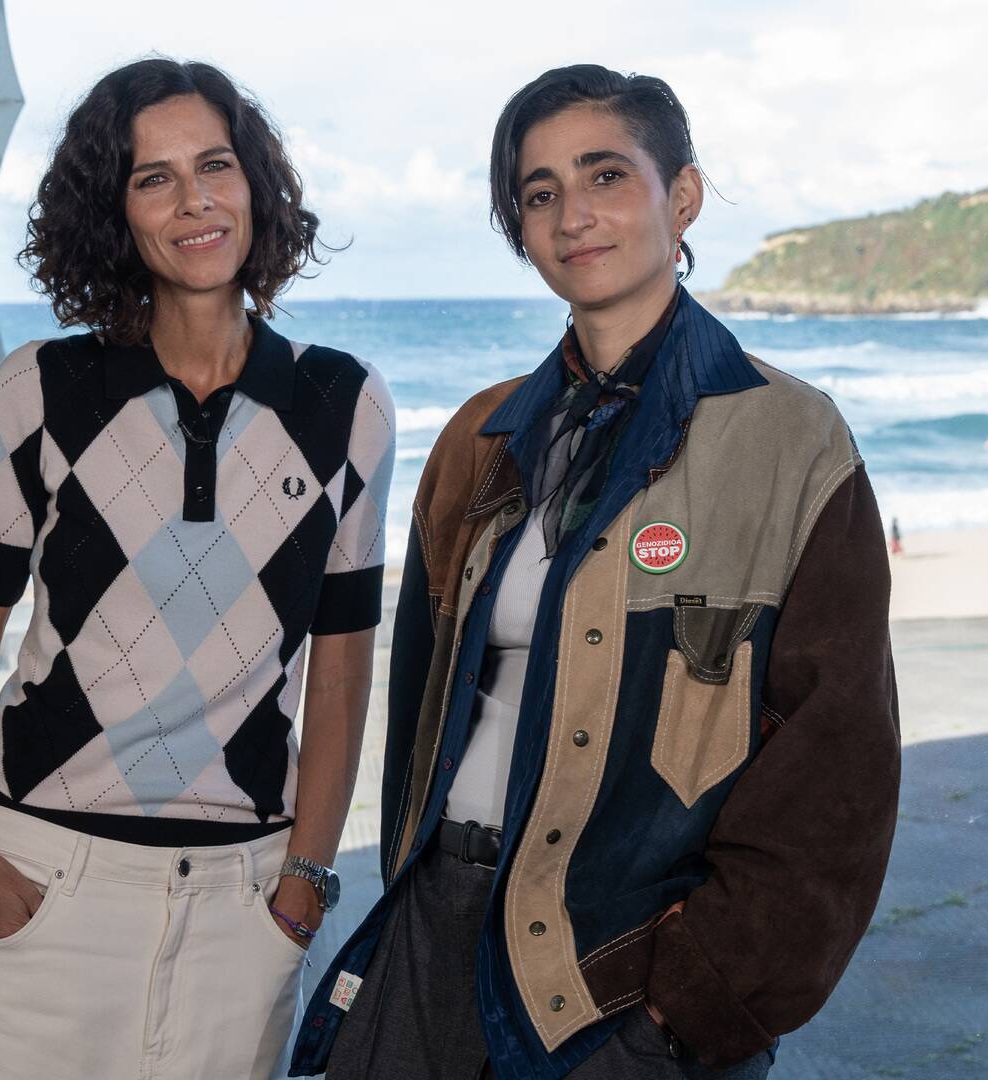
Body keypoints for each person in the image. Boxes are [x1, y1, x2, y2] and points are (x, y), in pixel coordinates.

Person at [291, 64, 900, 1080]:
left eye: (607, 176)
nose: (573, 214)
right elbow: (423, 721)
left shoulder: (794, 443)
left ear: (683, 197)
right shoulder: (481, 441)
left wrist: (687, 1010)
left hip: (620, 978)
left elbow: (836, 783)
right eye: (540, 193)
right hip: (435, 926)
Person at [0, 58, 394, 1080]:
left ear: (255, 183)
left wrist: (304, 884)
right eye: (152, 177)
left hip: (240, 910)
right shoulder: (40, 390)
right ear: (115, 213)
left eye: (214, 165)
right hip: (33, 881)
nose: (195, 199)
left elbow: (339, 678)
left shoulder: (345, 406)